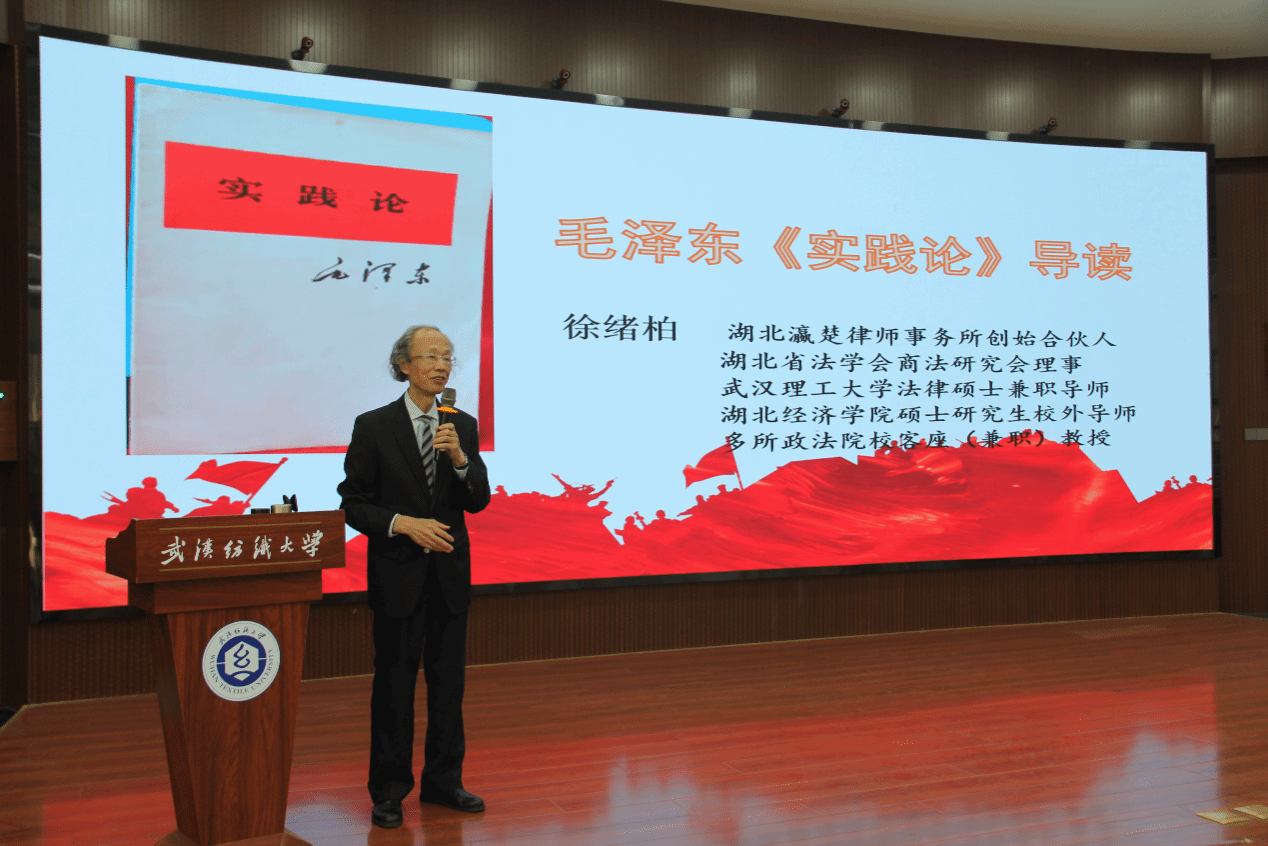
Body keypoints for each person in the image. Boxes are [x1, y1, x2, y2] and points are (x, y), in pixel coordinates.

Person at [337, 325, 491, 828]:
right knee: (394, 687)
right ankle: (388, 790)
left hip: (449, 576)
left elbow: (478, 500)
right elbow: (353, 504)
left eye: (447, 357)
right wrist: (403, 524)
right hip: (397, 578)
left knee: (449, 685)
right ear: (403, 365)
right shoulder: (374, 426)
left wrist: (460, 459)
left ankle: (444, 781)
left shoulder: (461, 426)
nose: (442, 365)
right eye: (430, 356)